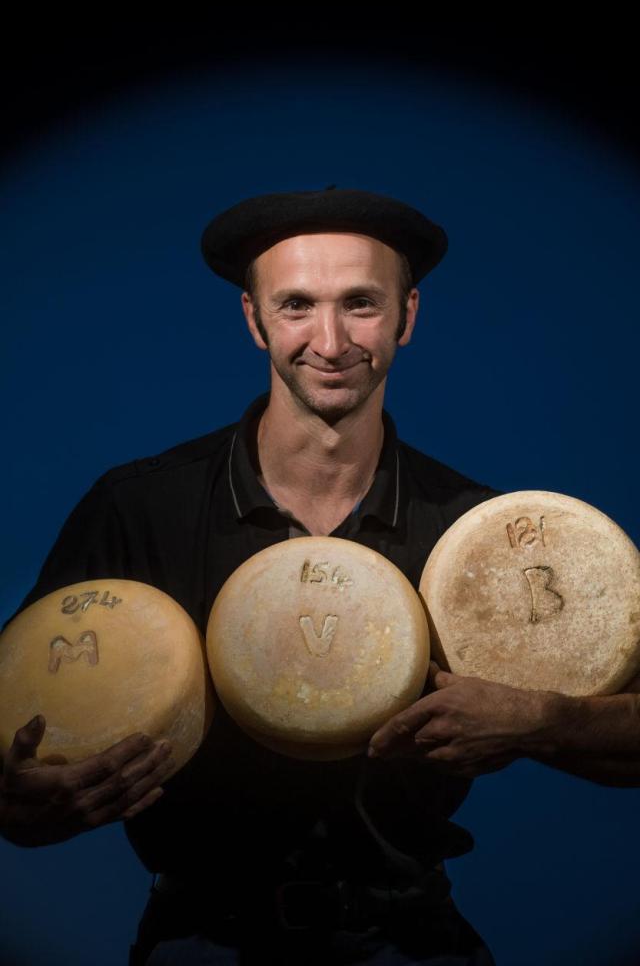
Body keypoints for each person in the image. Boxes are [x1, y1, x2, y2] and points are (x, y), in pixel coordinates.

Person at [1, 186, 639, 966]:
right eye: (297, 304)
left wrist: (545, 720)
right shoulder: (140, 507)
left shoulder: (482, 537)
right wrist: (23, 798)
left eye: (361, 304)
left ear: (407, 317)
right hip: (197, 941)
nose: (330, 341)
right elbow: (15, 746)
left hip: (409, 940)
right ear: (253, 319)